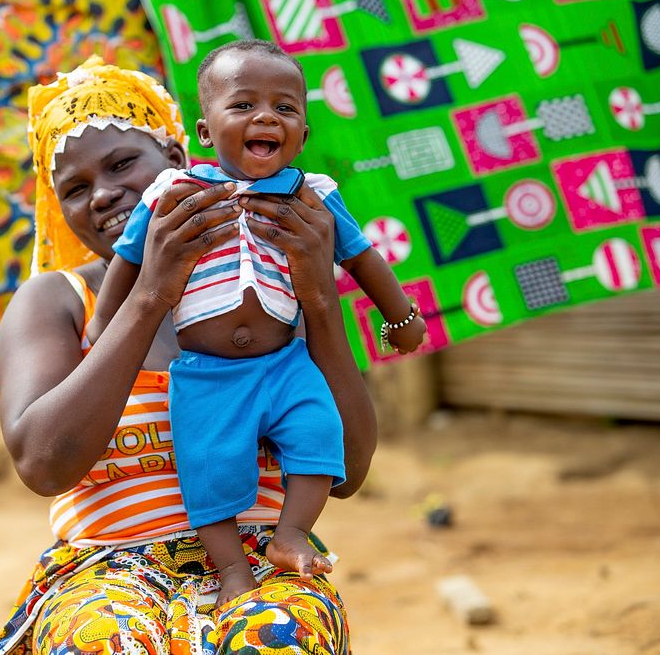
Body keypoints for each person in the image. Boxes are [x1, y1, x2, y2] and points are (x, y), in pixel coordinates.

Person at [0, 56, 378, 654]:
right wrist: (150, 294)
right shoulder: (57, 302)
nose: (103, 194)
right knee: (105, 641)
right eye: (74, 189)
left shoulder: (271, 287)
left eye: (122, 164)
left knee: (277, 639)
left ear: (178, 162)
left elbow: (347, 473)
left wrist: (320, 299)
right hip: (105, 571)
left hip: (263, 563)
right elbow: (43, 466)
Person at [87, 40, 426, 606]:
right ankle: (232, 571)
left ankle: (290, 534)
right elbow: (128, 256)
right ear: (203, 132)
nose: (266, 117)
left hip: (286, 364)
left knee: (319, 435)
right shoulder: (174, 192)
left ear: (304, 135)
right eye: (243, 105)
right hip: (206, 373)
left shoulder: (313, 195)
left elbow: (364, 257)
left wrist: (403, 317)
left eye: (286, 109)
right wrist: (101, 323)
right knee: (207, 468)